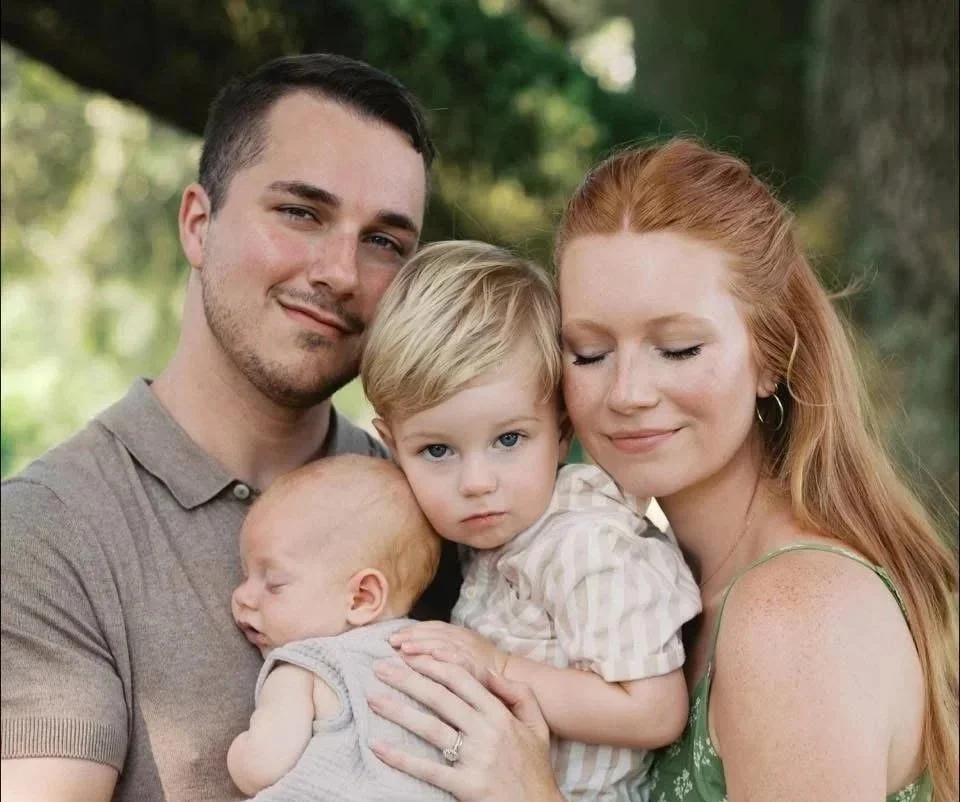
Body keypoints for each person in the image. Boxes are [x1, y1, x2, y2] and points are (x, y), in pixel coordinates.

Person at [364, 139, 959, 802]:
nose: (627, 393)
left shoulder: (794, 617)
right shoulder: (628, 578)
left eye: (677, 349)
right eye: (589, 354)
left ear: (769, 356)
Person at [0, 53, 447, 802]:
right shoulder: (47, 537)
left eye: (384, 242)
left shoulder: (436, 507)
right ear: (198, 226)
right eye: (302, 212)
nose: (341, 272)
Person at [359, 240, 702, 800]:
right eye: (437, 451)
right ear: (392, 445)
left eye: (509, 439)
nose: (476, 482)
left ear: (562, 430)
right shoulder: (490, 537)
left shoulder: (585, 546)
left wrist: (496, 665)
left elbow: (654, 711)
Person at [225, 455, 453, 800]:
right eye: (245, 576)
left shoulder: (306, 665)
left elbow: (262, 766)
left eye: (274, 583)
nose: (242, 596)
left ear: (361, 598)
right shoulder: (435, 656)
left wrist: (238, 754)